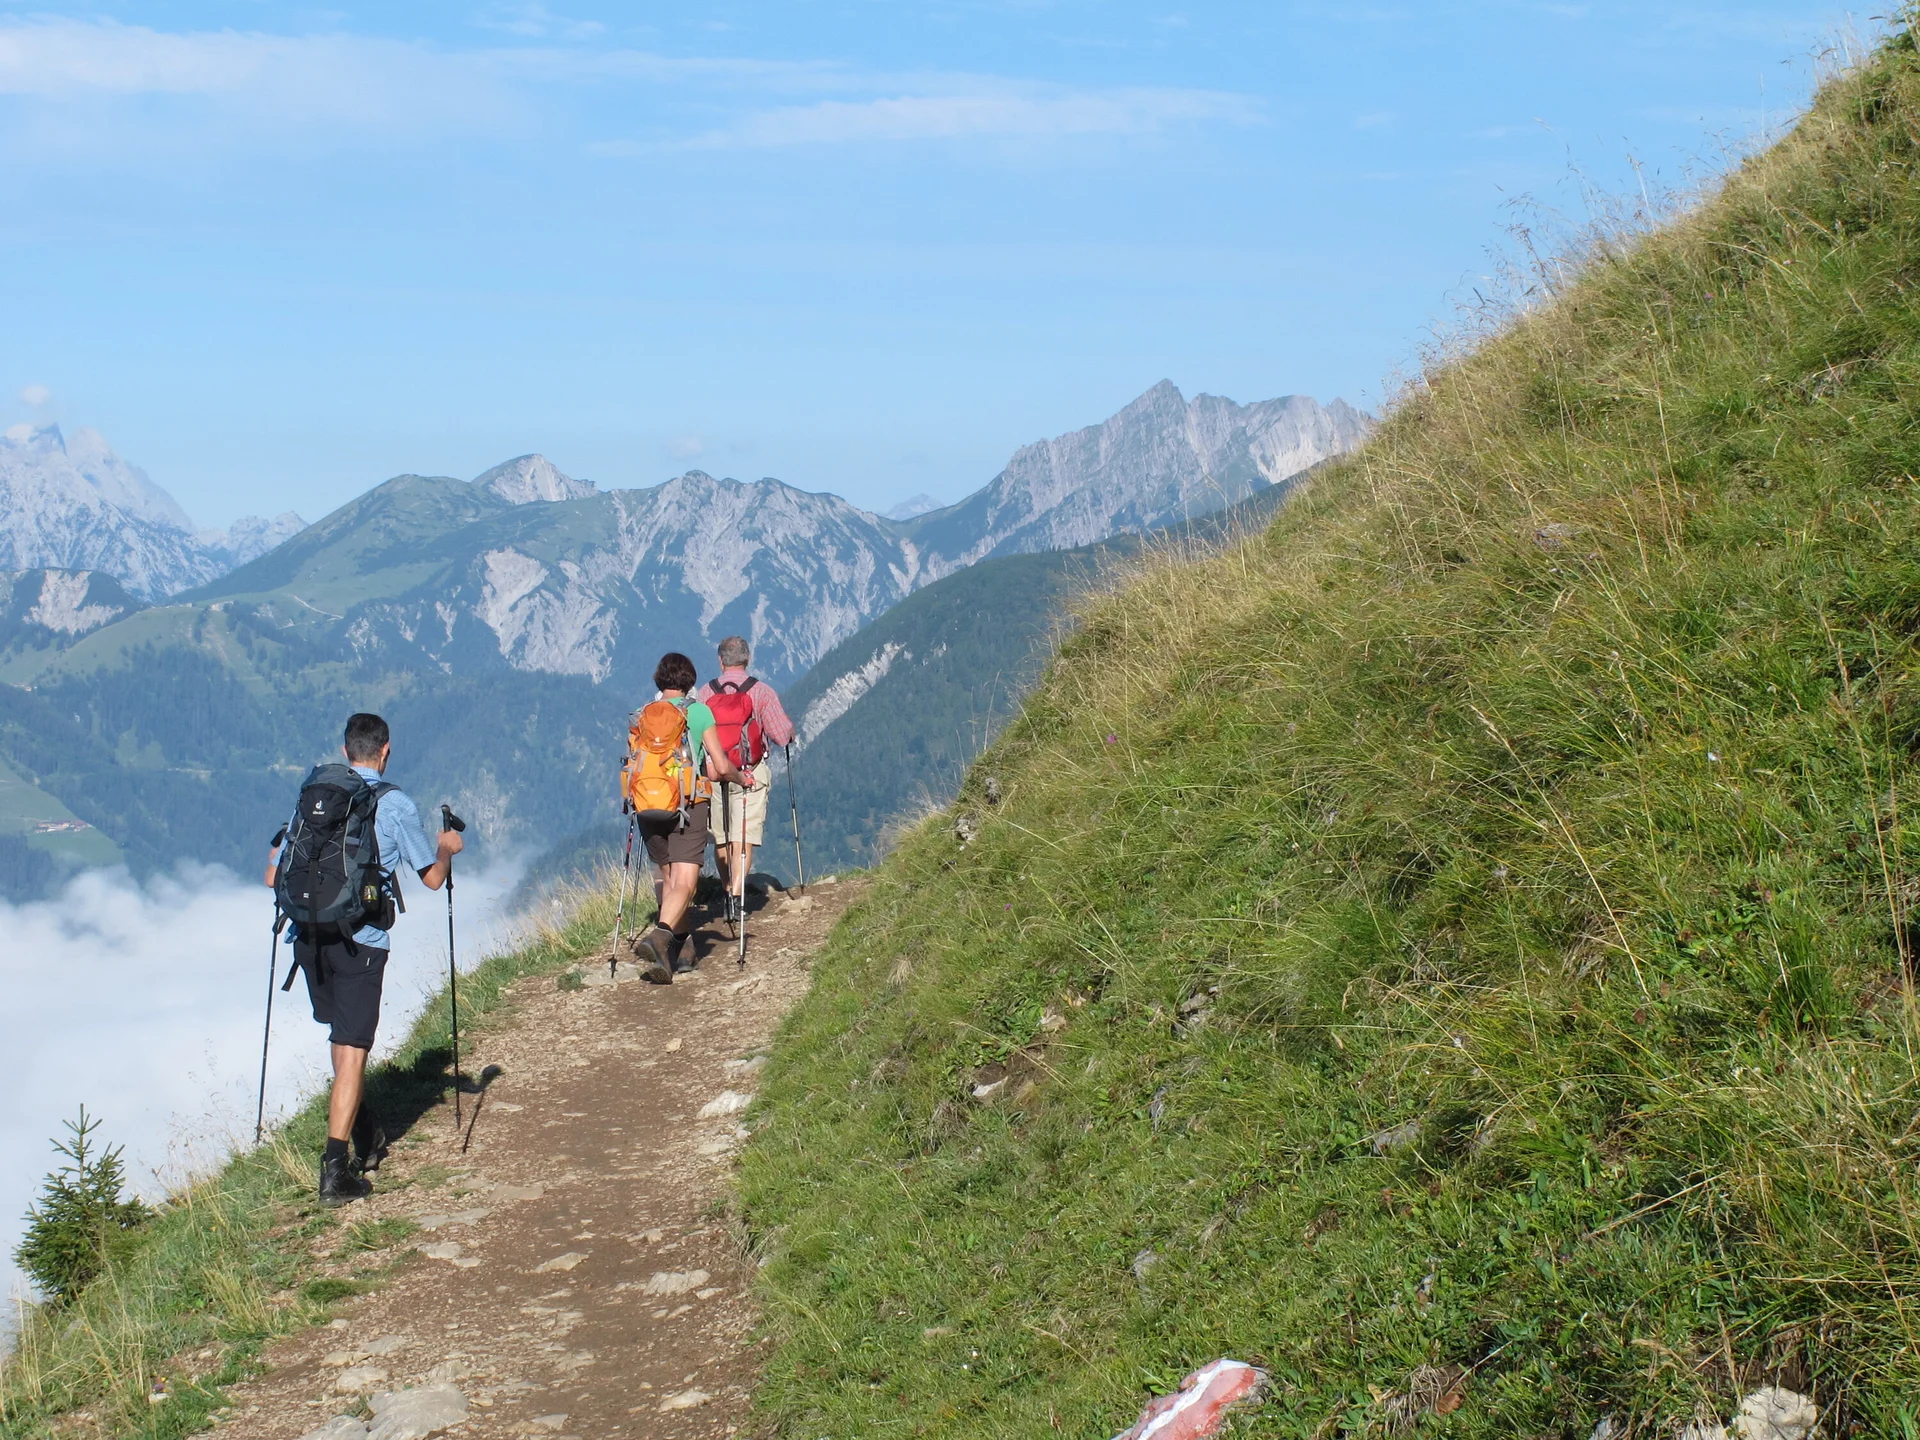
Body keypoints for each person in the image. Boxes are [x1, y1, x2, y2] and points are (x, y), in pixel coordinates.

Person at [264, 712, 462, 1206]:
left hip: (308, 937)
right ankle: (336, 1173)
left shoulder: (314, 795)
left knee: (340, 1038)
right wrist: (447, 848)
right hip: (362, 941)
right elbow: (432, 879)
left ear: (347, 749)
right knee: (353, 1050)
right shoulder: (392, 803)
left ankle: (366, 1128)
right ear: (385, 750)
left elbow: (273, 876)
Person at [633, 652, 755, 983]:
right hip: (688, 804)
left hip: (647, 806)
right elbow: (720, 764)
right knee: (686, 882)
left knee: (668, 880)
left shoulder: (644, 714)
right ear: (690, 683)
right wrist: (742, 779)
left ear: (659, 680)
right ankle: (660, 937)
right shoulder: (698, 712)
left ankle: (683, 948)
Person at [697, 635, 796, 922]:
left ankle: (726, 886)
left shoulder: (705, 693)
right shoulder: (761, 692)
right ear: (748, 658)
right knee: (744, 836)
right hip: (751, 772)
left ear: (720, 660)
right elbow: (779, 735)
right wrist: (790, 731)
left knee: (721, 836)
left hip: (716, 774)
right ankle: (737, 895)